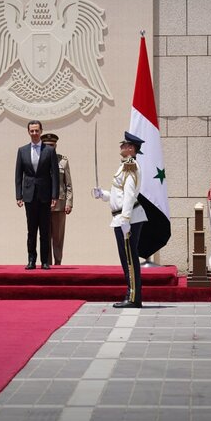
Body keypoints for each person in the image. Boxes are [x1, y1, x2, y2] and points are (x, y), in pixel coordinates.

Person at [92, 132, 147, 308]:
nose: (121, 147)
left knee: (129, 259)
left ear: (131, 149)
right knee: (126, 258)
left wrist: (125, 219)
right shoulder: (124, 166)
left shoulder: (130, 166)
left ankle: (133, 298)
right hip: (121, 217)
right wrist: (103, 195)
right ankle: (132, 295)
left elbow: (130, 195)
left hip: (127, 219)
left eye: (124, 145)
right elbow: (119, 194)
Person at [15, 120, 59, 270]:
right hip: (29, 195)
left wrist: (55, 196)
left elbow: (55, 175)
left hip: (45, 195)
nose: (34, 133)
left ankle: (45, 261)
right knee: (31, 229)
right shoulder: (22, 150)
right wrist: (18, 195)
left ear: (41, 131)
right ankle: (31, 260)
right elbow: (18, 174)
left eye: (36, 131)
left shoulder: (49, 150)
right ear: (28, 132)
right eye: (32, 131)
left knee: (45, 230)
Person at [41, 133, 73, 265]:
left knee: (58, 236)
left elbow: (68, 184)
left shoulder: (63, 161)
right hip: (43, 203)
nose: (50, 148)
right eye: (47, 145)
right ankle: (46, 262)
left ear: (56, 146)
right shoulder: (39, 160)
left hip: (60, 203)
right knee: (45, 235)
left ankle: (58, 262)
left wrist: (69, 202)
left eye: (52, 145)